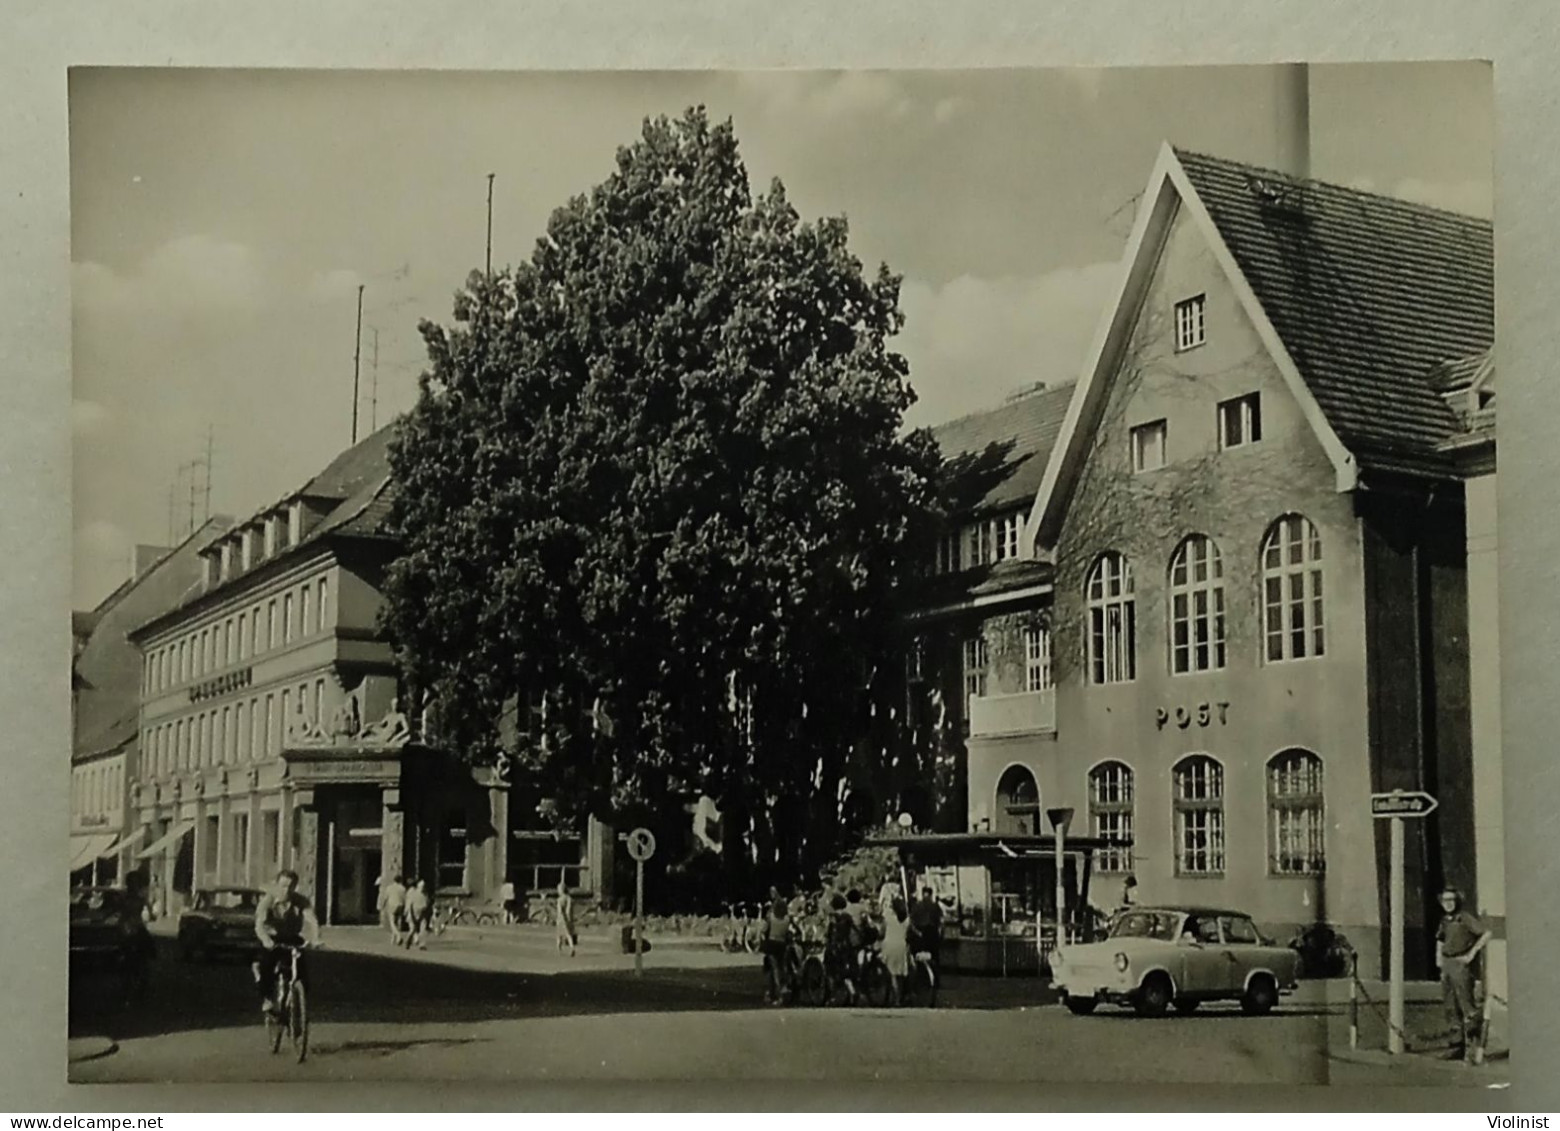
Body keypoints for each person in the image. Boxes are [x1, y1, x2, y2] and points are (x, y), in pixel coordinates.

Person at [253, 870, 321, 1015]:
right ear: (277, 884)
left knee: (302, 969)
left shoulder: (300, 901)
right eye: (283, 886)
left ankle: (299, 1003)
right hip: (272, 938)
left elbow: (312, 920)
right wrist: (266, 941)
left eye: (291, 886)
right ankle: (267, 999)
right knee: (267, 965)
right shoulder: (267, 901)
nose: (287, 890)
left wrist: (316, 938)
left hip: (291, 937)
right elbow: (259, 925)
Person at [1436, 887, 1492, 1059]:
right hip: (1447, 964)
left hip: (1460, 964)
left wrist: (1471, 954)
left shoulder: (1465, 918)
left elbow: (1486, 934)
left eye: (1451, 900)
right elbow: (1440, 939)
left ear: (1457, 901)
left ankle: (1475, 1044)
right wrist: (1439, 962)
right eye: (1445, 901)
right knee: (1450, 1007)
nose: (1448, 904)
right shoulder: (1445, 920)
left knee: (1466, 1005)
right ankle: (1456, 1045)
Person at [759, 897, 793, 1004]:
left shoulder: (771, 918)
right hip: (782, 944)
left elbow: (763, 930)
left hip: (771, 944)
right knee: (781, 968)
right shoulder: (787, 919)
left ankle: (774, 993)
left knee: (773, 969)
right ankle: (780, 991)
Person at [879, 897, 911, 1006]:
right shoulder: (906, 919)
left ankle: (896, 1000)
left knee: (892, 974)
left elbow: (881, 932)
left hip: (889, 945)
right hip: (902, 946)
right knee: (900, 974)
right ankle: (901, 996)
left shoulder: (888, 917)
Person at [909, 886, 944, 971]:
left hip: (920, 935)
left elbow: (911, 922)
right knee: (934, 958)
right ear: (931, 895)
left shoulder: (917, 906)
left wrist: (917, 933)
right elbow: (941, 922)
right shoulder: (935, 906)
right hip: (932, 934)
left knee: (920, 958)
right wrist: (940, 934)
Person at [377, 873, 407, 945]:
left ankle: (398, 935)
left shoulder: (389, 888)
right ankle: (393, 940)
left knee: (392, 923)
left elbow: (385, 898)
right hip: (400, 905)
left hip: (392, 905)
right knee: (398, 922)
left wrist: (382, 906)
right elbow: (405, 898)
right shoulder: (403, 888)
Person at [404, 878, 432, 949]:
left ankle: (422, 944)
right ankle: (408, 941)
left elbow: (427, 904)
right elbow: (409, 904)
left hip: (422, 914)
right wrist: (407, 912)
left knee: (423, 929)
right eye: (422, 885)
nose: (423, 887)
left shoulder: (425, 895)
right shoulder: (413, 893)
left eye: (424, 886)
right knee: (413, 929)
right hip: (413, 913)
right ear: (418, 886)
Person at [555, 880, 577, 957]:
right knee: (569, 934)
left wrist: (560, 917)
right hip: (570, 919)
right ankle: (572, 947)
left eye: (558, 889)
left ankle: (559, 949)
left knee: (559, 935)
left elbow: (560, 910)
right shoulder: (569, 898)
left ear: (561, 890)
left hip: (561, 919)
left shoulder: (560, 899)